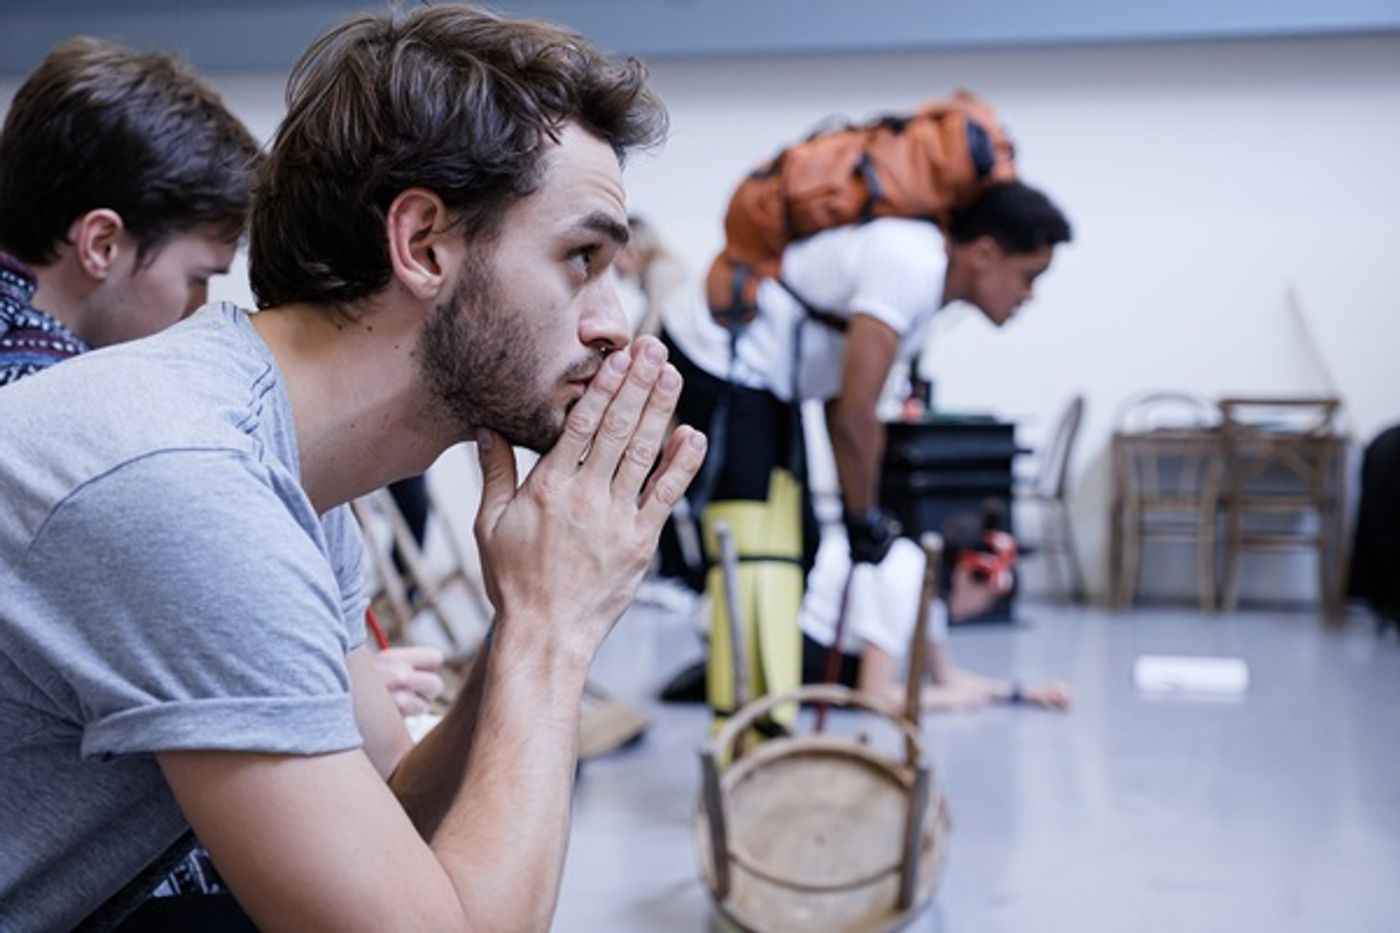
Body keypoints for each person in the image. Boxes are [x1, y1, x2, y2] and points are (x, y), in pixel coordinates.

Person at [0, 6, 704, 930]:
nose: (615, 324)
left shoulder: (286, 464)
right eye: (582, 257)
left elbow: (391, 810)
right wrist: (549, 632)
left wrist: (522, 625)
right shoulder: (189, 480)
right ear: (422, 246)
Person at [0, 36, 445, 722]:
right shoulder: (59, 416)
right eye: (196, 278)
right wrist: (316, 688)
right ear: (102, 244)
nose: (202, 311)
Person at [661, 179, 1073, 732]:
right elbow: (856, 418)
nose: (1030, 296)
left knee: (793, 552)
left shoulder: (923, 288)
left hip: (768, 381)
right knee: (760, 558)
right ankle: (745, 748)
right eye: (1029, 277)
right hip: (722, 356)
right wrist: (864, 518)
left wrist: (863, 517)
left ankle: (771, 736)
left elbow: (845, 404)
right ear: (983, 253)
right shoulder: (910, 262)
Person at [800, 532, 1072, 711]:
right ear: (965, 575)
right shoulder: (902, 579)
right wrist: (946, 700)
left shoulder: (930, 593)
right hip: (809, 658)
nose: (983, 609)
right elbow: (872, 696)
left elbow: (946, 675)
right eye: (987, 598)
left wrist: (1022, 694)